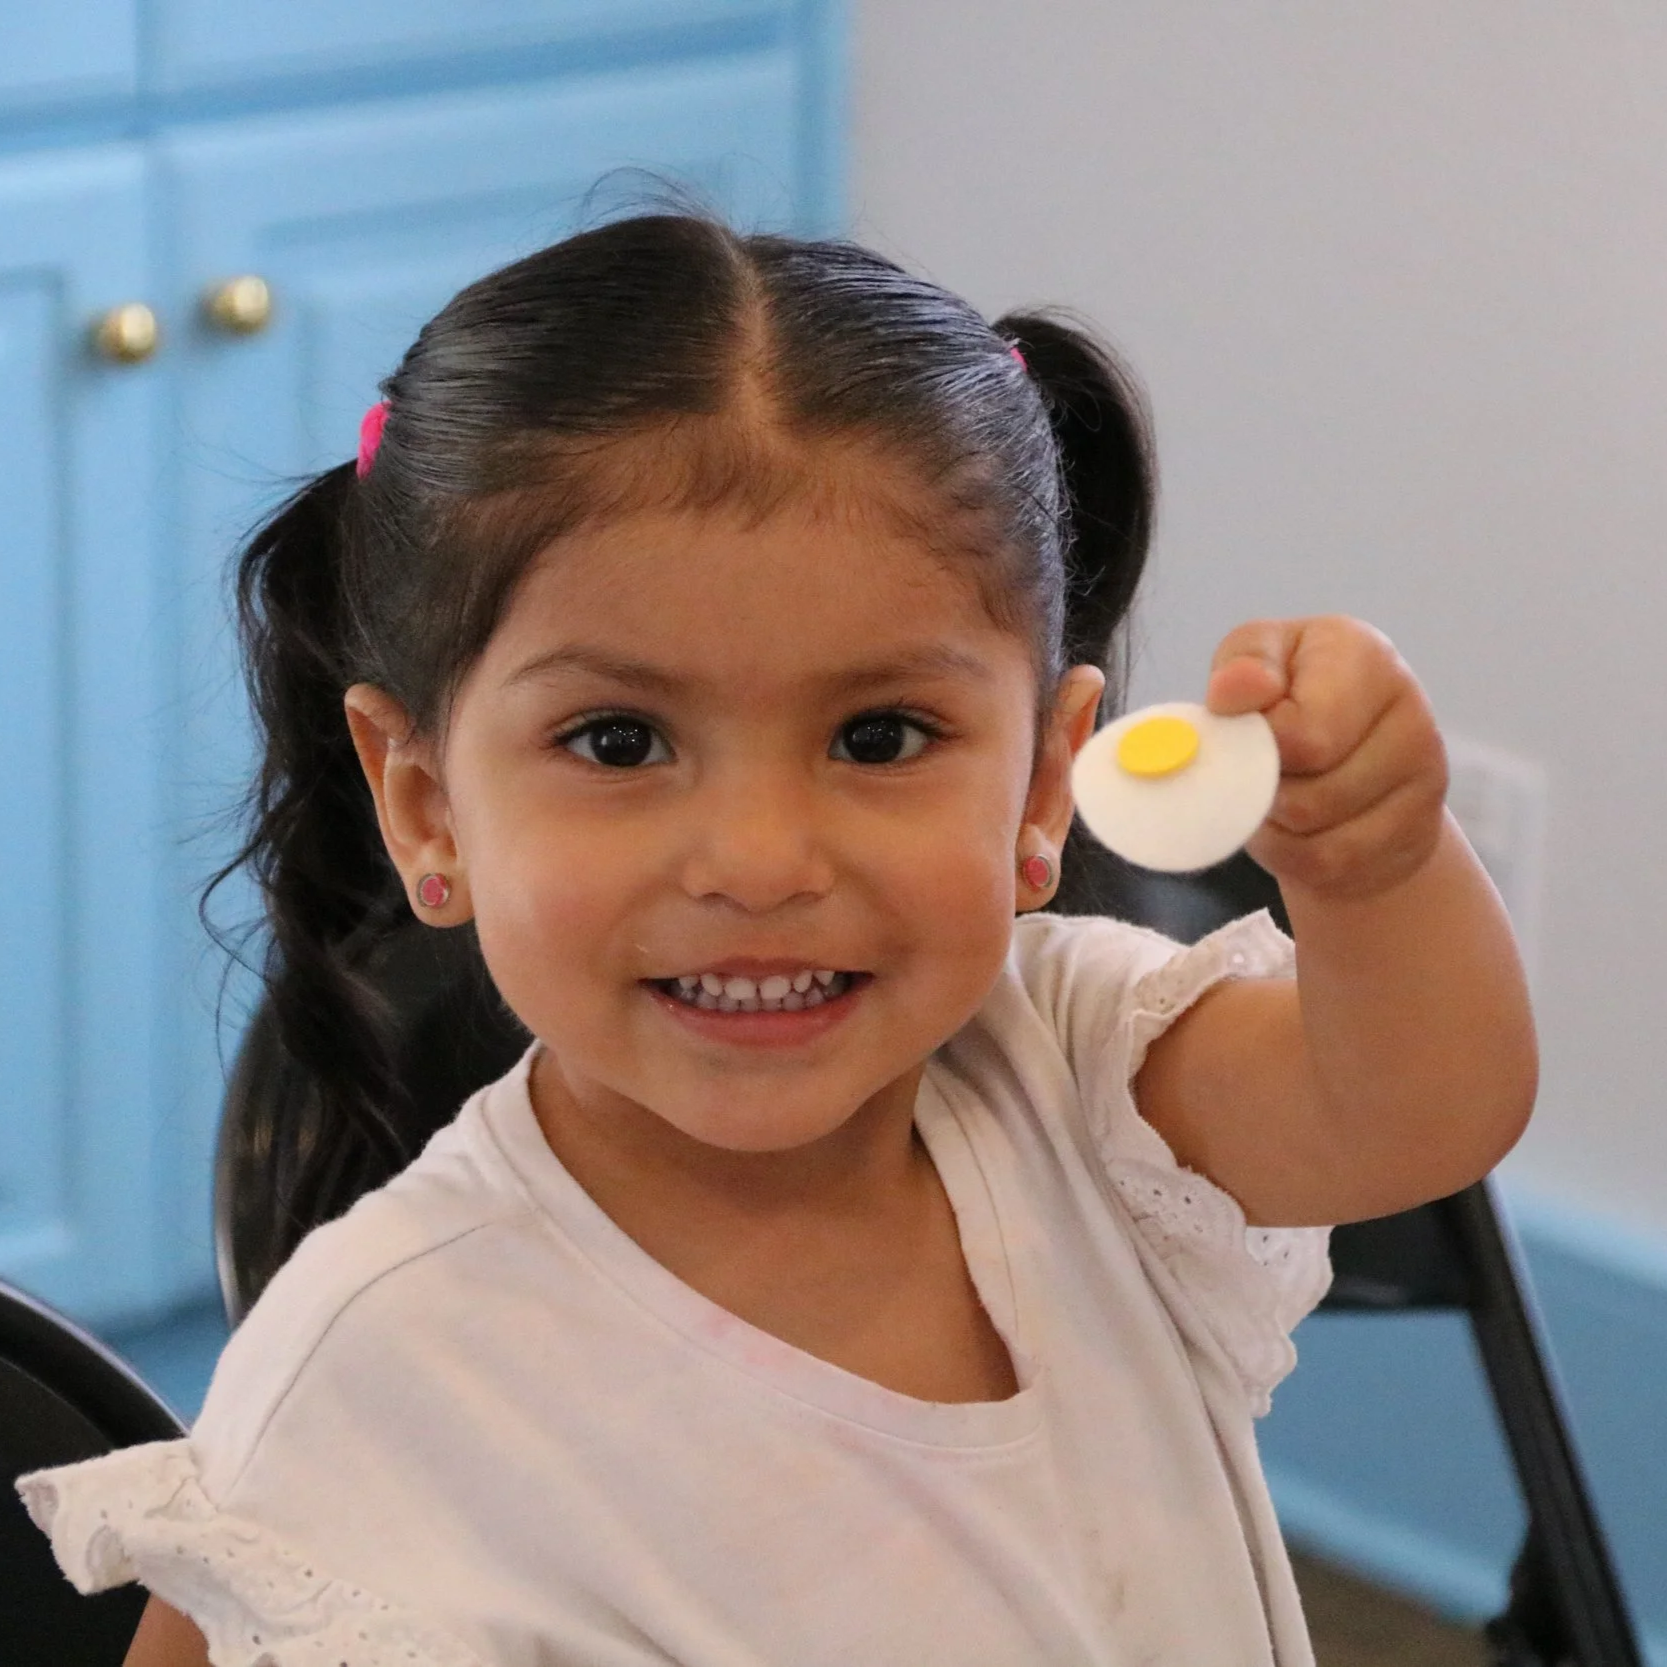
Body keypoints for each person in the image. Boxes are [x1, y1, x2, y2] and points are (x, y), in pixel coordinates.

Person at [17, 213, 1536, 1666]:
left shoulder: (1077, 1072)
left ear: (1042, 779)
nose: (758, 860)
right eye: (618, 741)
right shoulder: (381, 1372)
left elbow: (1415, 1109)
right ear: (425, 807)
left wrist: (1380, 866)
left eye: (879, 734)